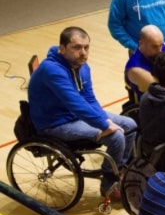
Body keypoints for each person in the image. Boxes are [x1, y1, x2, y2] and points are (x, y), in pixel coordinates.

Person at [27, 26, 137, 199]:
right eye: (77, 47)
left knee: (130, 125)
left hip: (75, 116)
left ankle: (118, 169)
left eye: (86, 47)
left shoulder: (82, 66)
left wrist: (105, 121)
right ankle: (109, 183)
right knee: (116, 137)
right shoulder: (52, 70)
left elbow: (89, 99)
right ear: (62, 48)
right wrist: (103, 125)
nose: (83, 53)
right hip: (55, 123)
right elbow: (76, 104)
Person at [124, 24, 165, 104]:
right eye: (154, 46)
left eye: (161, 45)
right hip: (151, 107)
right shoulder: (135, 69)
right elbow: (162, 92)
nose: (160, 50)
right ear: (141, 44)